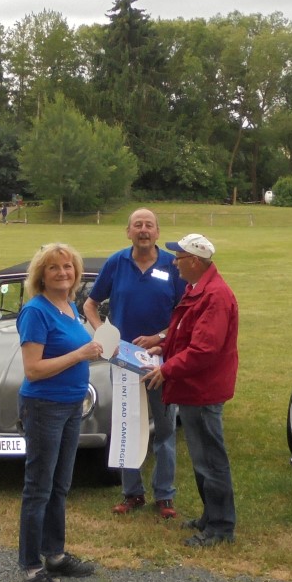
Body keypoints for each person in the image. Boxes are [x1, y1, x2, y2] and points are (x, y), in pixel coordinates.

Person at [83, 208, 187, 517]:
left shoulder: (172, 265)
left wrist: (159, 338)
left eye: (149, 225)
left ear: (157, 233)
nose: (143, 230)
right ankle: (132, 493)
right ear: (128, 232)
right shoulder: (117, 263)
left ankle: (165, 495)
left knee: (165, 427)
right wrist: (105, 335)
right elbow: (90, 304)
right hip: (123, 360)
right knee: (127, 424)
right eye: (137, 225)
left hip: (161, 360)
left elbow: (185, 315)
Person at [16, 243, 104, 582]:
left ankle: (54, 554)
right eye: (54, 268)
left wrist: (98, 353)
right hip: (44, 407)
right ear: (41, 275)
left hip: (71, 406)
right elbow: (33, 370)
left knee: (60, 485)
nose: (63, 273)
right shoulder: (35, 312)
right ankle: (31, 568)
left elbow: (76, 355)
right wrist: (80, 353)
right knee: (38, 488)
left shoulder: (68, 307)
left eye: (68, 267)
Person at [143, 233, 239, 547]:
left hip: (203, 390)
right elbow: (186, 332)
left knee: (210, 459)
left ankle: (221, 527)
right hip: (196, 389)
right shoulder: (199, 289)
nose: (174, 262)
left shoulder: (214, 295)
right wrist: (163, 347)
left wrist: (166, 368)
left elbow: (203, 350)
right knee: (201, 458)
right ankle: (211, 517)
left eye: (179, 257)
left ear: (194, 261)